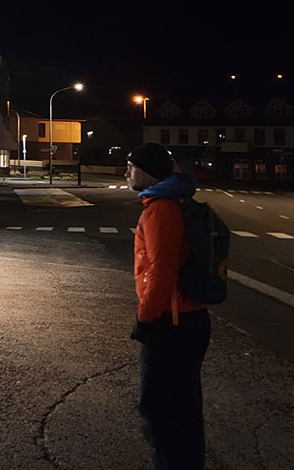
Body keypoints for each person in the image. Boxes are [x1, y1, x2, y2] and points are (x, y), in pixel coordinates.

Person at [126, 142, 210, 469]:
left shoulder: (161, 208)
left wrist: (145, 317)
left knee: (158, 408)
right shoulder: (172, 201)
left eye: (131, 166)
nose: (126, 172)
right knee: (183, 405)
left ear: (147, 171)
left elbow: (162, 271)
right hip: (186, 319)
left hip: (171, 323)